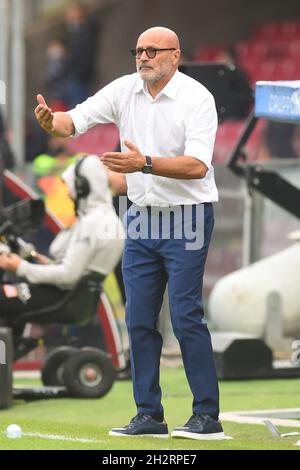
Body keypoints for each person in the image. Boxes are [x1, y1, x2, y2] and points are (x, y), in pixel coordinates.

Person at [34, 26, 224, 440]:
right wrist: (53, 122)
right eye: (138, 50)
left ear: (175, 55)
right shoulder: (124, 89)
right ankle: (148, 415)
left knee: (186, 314)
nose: (143, 57)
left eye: (153, 51)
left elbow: (197, 166)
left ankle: (207, 417)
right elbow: (74, 121)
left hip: (187, 215)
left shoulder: (198, 98)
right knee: (138, 317)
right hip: (139, 216)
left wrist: (146, 164)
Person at [0, 155, 124, 320]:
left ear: (82, 187)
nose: (69, 194)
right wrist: (41, 262)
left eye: (70, 187)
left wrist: (20, 266)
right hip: (74, 298)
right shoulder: (108, 220)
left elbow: (67, 276)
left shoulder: (92, 224)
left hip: (61, 297)